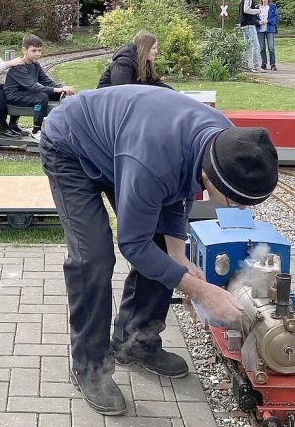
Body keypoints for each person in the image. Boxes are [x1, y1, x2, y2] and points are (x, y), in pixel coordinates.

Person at [39, 85, 279, 416]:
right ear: (211, 176)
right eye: (235, 201)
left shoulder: (227, 145)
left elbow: (178, 190)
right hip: (71, 145)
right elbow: (133, 243)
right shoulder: (153, 161)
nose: (239, 209)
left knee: (164, 255)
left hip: (125, 146)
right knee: (92, 258)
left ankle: (135, 342)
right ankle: (89, 367)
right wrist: (202, 292)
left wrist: (177, 255)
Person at [3, 34, 74, 143]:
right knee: (41, 97)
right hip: (13, 95)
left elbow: (46, 81)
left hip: (25, 93)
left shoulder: (35, 65)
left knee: (57, 94)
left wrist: (62, 87)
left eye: (40, 50)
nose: (38, 54)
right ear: (24, 50)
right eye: (34, 50)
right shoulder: (19, 66)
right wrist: (55, 90)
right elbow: (32, 86)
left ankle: (13, 125)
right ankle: (36, 130)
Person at [97, 31, 172, 89]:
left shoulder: (144, 63)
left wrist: (176, 94)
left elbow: (156, 84)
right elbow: (121, 91)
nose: (157, 51)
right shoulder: (123, 63)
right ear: (144, 49)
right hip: (107, 104)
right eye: (153, 48)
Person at [239, 0, 262, 72]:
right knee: (256, 45)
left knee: (247, 45)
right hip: (249, 24)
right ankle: (255, 66)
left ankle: (244, 65)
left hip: (244, 24)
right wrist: (257, 11)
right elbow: (246, 9)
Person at [257, 0, 279, 71]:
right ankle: (264, 63)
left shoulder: (273, 7)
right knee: (262, 48)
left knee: (271, 47)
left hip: (269, 29)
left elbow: (276, 18)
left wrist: (268, 21)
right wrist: (258, 22)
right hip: (260, 29)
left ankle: (273, 64)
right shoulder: (257, 7)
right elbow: (254, 18)